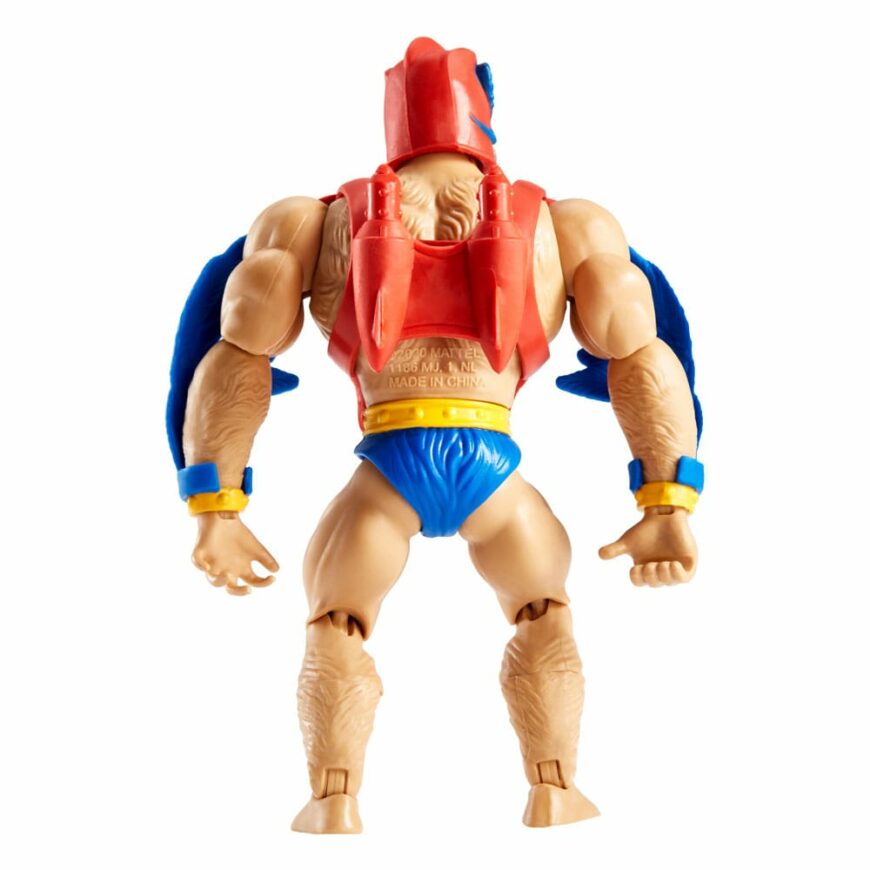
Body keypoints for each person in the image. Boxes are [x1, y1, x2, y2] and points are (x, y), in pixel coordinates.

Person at [168, 36, 704, 833]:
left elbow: (234, 353)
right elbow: (643, 353)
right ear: (484, 115)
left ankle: (333, 801)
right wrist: (668, 498)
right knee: (543, 609)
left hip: (390, 459)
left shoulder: (307, 222)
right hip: (493, 461)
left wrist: (215, 505)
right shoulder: (569, 225)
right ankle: (554, 790)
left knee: (336, 620)